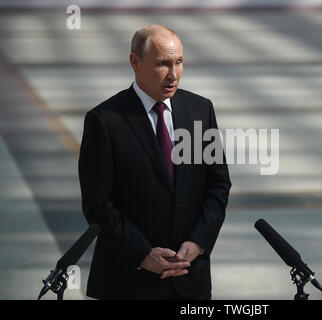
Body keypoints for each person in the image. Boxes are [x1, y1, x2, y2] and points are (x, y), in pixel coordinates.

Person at [78, 25, 231, 300]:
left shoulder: (200, 110)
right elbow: (97, 203)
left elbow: (218, 184)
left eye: (179, 62)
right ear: (134, 62)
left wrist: (198, 242)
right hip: (128, 282)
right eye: (162, 64)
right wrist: (142, 254)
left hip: (189, 279)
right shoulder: (104, 121)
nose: (173, 75)